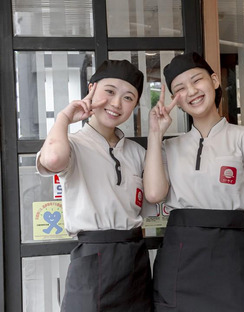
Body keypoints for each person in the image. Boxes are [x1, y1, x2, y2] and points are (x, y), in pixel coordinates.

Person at [144, 52, 244, 311]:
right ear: (176, 101)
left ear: (214, 80)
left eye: (196, 80)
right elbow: (155, 194)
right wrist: (155, 134)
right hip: (179, 259)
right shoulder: (170, 146)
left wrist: (238, 253)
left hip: (231, 258)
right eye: (180, 88)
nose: (191, 91)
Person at [36, 60, 154, 312]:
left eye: (128, 97)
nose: (116, 104)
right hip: (92, 256)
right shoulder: (73, 143)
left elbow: (152, 198)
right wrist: (64, 117)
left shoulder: (136, 152)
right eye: (109, 92)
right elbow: (54, 159)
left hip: (134, 257)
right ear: (91, 89)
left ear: (134, 106)